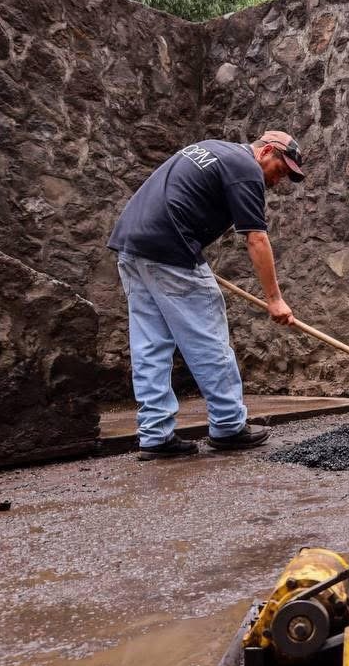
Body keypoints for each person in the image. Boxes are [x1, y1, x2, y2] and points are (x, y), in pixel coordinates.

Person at [107, 132, 306, 460]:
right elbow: (256, 237)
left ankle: (155, 435)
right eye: (279, 169)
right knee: (208, 338)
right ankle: (229, 426)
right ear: (266, 150)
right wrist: (274, 299)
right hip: (170, 249)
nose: (277, 178)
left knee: (150, 345)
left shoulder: (213, 149)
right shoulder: (246, 168)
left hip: (133, 245)